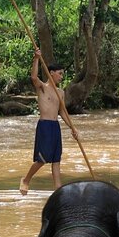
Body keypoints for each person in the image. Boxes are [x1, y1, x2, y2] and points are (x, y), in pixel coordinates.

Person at [19, 48, 78, 195]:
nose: (61, 76)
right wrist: (36, 58)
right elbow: (33, 77)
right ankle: (26, 179)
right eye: (60, 73)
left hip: (55, 126)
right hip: (44, 126)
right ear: (51, 73)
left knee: (56, 160)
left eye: (62, 74)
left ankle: (58, 189)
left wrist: (72, 128)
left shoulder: (61, 92)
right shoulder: (42, 88)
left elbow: (63, 112)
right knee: (42, 159)